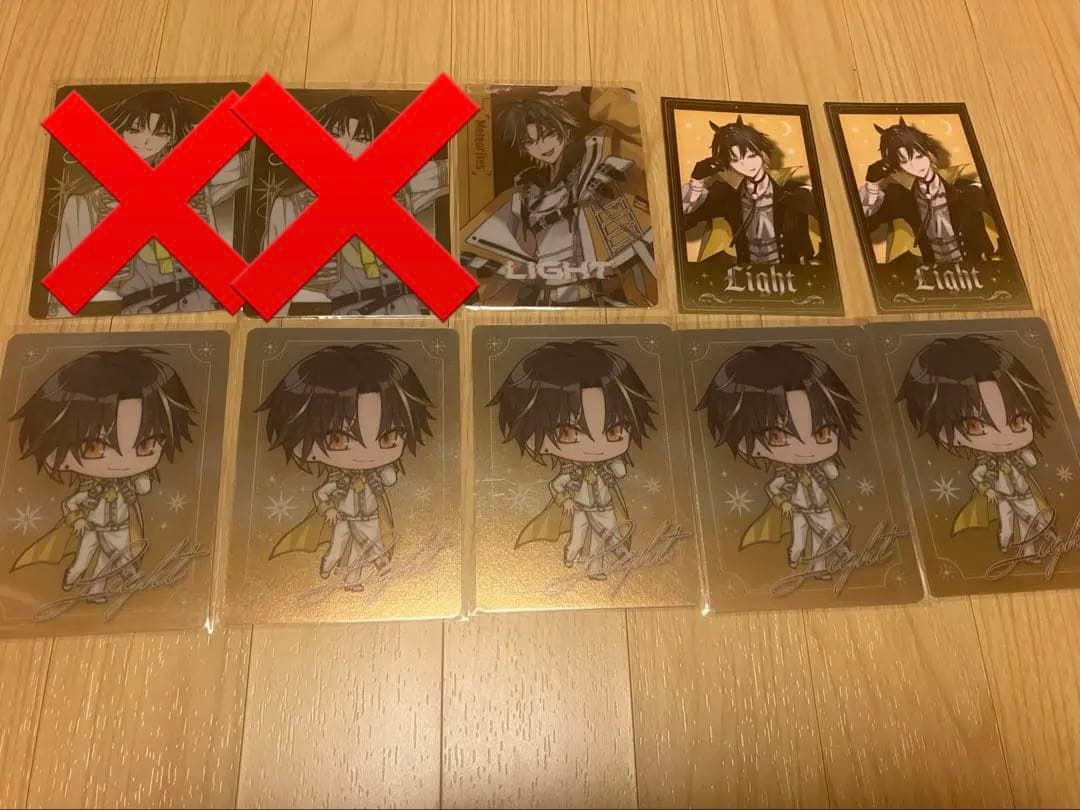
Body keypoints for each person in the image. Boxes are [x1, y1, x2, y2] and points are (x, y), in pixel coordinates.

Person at [10, 349, 196, 602]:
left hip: (119, 529)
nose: (123, 462)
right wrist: (77, 519)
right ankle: (73, 575)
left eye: (145, 445)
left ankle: (97, 591)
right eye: (94, 447)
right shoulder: (90, 489)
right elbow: (70, 503)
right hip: (91, 529)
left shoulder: (128, 485)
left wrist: (141, 479)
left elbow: (143, 488)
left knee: (112, 560)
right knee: (83, 560)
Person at [259, 344, 434, 590]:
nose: (366, 454)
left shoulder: (374, 476)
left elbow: (390, 480)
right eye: (338, 440)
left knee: (363, 547)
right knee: (337, 549)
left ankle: (356, 579)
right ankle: (330, 564)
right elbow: (319, 494)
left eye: (388, 437)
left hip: (369, 516)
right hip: (343, 518)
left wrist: (387, 472)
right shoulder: (338, 480)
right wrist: (328, 509)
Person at [488, 339, 657, 580]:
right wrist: (565, 499)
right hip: (581, 510)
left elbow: (620, 472)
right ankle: (570, 553)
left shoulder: (606, 466)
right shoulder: (571, 471)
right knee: (578, 540)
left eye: (614, 431)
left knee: (604, 538)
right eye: (567, 433)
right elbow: (555, 485)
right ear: (537, 440)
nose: (595, 446)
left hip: (605, 507)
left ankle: (597, 568)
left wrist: (615, 463)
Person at [696, 343, 860, 577]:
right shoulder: (786, 474)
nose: (805, 449)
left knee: (827, 535)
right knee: (799, 543)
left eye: (822, 432)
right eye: (778, 436)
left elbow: (833, 474)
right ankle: (795, 555)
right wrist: (782, 502)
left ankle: (820, 568)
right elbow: (771, 487)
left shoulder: (819, 467)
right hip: (799, 511)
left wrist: (827, 466)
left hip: (821, 507)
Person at [896, 334, 1054, 558]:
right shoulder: (986, 464)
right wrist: (988, 490)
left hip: (1024, 495)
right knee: (1008, 528)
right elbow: (975, 476)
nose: (1003, 436)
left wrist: (1023, 456)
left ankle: (1029, 552)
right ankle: (1009, 546)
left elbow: (1032, 462)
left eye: (1017, 421)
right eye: (975, 426)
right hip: (1003, 499)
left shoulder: (1017, 456)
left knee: (1033, 522)